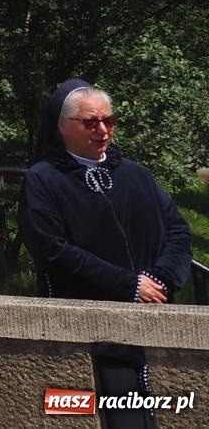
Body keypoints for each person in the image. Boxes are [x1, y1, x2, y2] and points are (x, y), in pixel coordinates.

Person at [21, 80, 193, 429]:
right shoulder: (44, 179)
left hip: (151, 315)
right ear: (61, 127)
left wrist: (160, 279)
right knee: (93, 413)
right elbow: (53, 249)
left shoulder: (136, 174)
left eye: (109, 121)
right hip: (88, 323)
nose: (102, 130)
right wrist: (128, 285)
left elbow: (178, 230)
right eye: (90, 122)